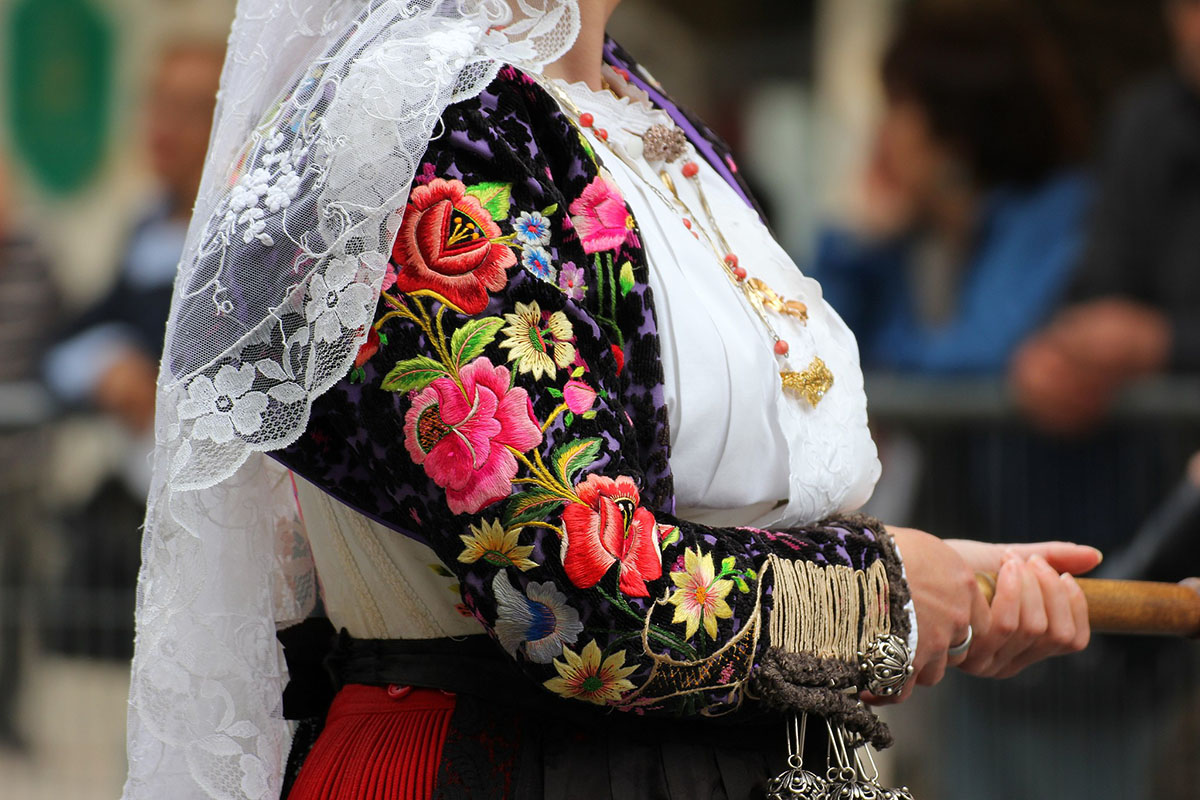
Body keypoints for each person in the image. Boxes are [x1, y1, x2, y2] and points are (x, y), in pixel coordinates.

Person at [121, 3, 1100, 799]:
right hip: (505, 761)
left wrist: (941, 579)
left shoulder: (630, 106)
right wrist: (878, 593)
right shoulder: (415, 114)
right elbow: (576, 588)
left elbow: (719, 493)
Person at [40, 41, 223, 658]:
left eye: (188, 110)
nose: (161, 127)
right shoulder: (148, 222)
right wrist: (108, 366)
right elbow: (69, 339)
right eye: (156, 105)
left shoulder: (233, 233)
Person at [812, 1, 1089, 376]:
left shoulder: (1053, 216)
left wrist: (879, 367)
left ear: (952, 124)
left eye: (896, 106)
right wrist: (856, 242)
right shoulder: (907, 234)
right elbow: (812, 352)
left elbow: (979, 358)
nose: (882, 133)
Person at [1012, 0, 1200, 434]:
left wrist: (1165, 342)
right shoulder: (1146, 123)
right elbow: (1100, 281)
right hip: (1164, 468)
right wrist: (1057, 352)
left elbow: (1142, 336)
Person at [0, 158, 60, 751]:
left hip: (21, 465)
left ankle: (8, 713)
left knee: (16, 593)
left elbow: (64, 334)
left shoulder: (35, 260)